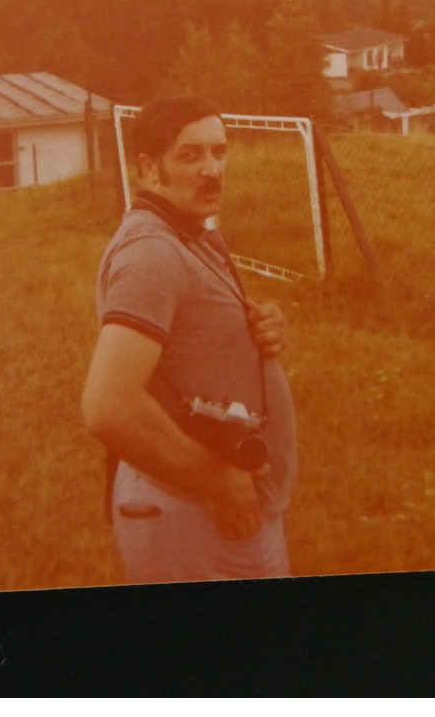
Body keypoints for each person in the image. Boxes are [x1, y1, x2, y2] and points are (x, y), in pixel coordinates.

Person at [82, 94, 298, 583]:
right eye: (190, 154)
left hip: (215, 515)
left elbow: (192, 335)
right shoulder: (151, 252)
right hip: (194, 514)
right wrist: (214, 482)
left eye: (219, 152)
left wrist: (256, 329)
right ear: (149, 168)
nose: (212, 169)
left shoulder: (189, 234)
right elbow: (107, 405)